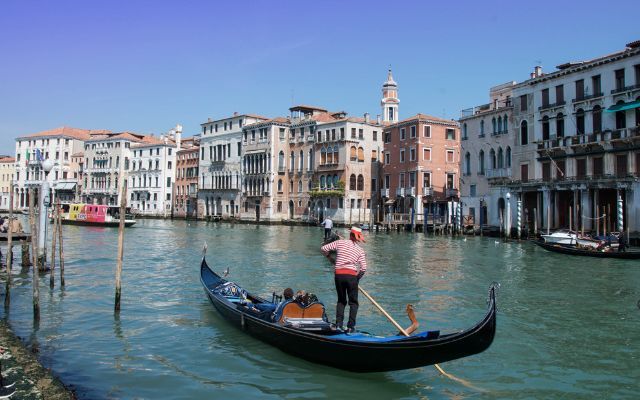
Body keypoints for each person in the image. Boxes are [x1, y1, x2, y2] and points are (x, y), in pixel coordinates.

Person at [320, 226, 367, 333]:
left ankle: (338, 325)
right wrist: (357, 279)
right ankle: (350, 327)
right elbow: (363, 268)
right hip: (351, 276)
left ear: (350, 234)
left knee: (341, 301)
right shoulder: (360, 250)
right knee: (353, 303)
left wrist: (330, 258)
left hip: (339, 275)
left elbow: (323, 248)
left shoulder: (340, 243)